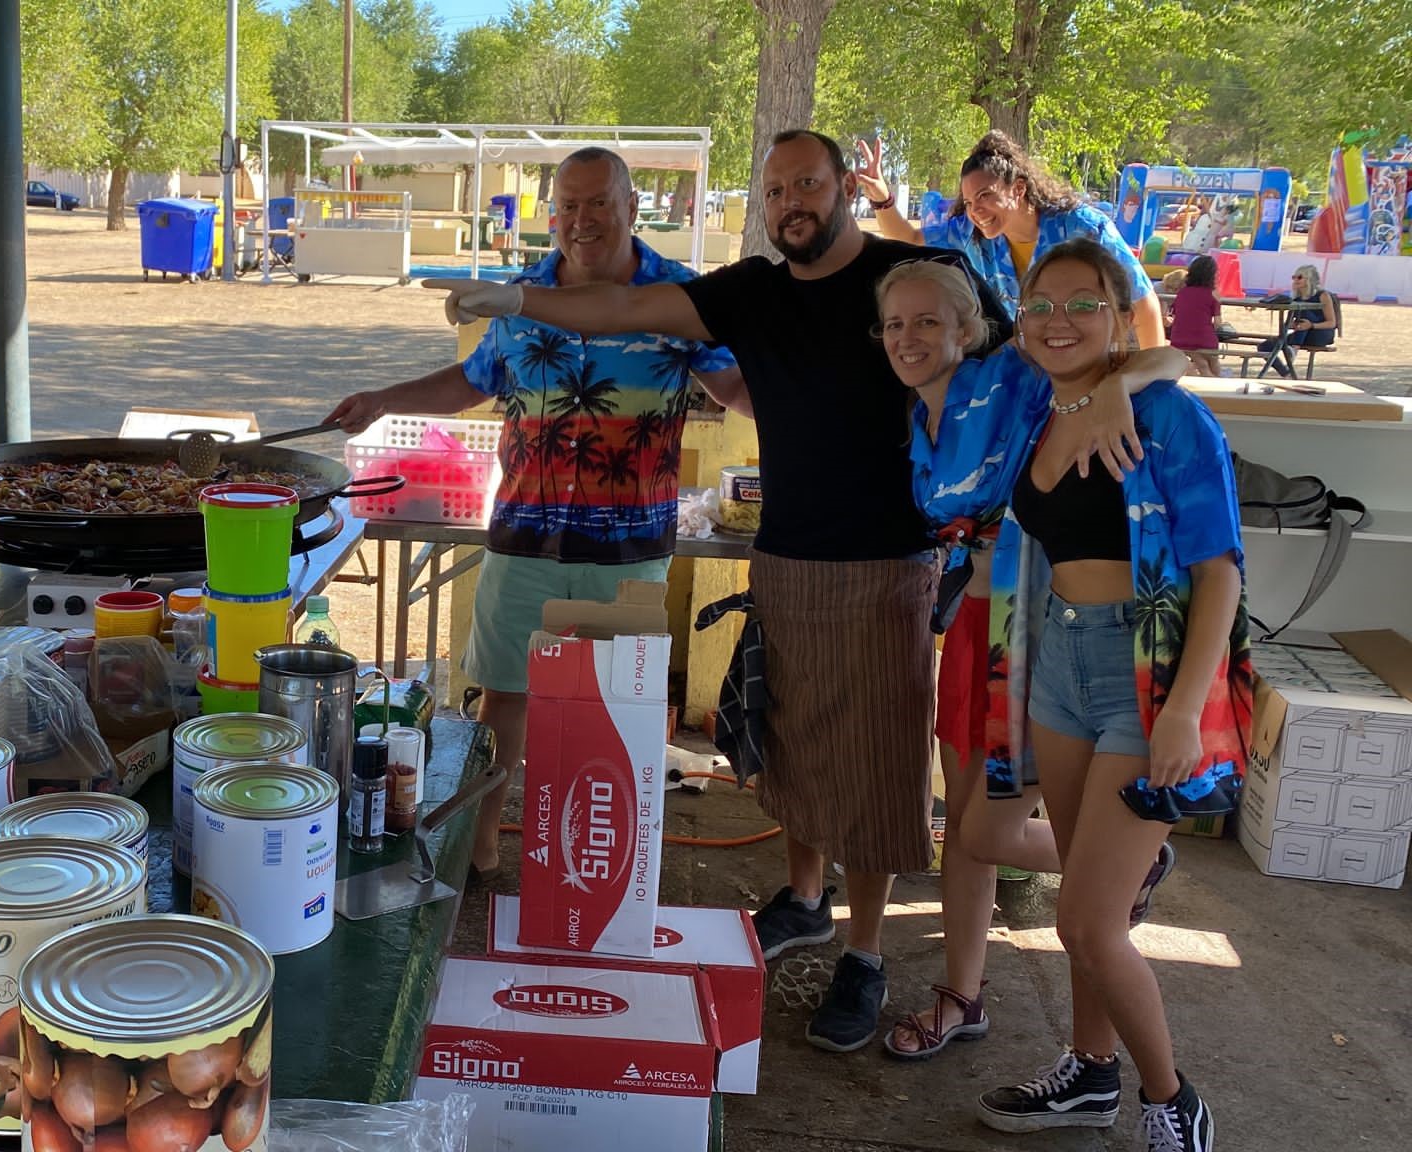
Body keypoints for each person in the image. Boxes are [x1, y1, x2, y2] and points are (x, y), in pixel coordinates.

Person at [425, 130, 1141, 1054]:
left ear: (844, 186)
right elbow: (626, 304)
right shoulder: (753, 290)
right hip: (786, 556)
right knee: (792, 748)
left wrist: (1126, 379)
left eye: (807, 183)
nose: (789, 202)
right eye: (774, 191)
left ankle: (866, 952)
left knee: (878, 769)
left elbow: (1042, 350)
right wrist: (517, 298)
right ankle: (805, 898)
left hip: (890, 563)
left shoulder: (910, 278)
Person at [325, 146, 742, 882]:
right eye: (568, 206)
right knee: (505, 700)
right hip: (525, 538)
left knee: (615, 710)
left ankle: (603, 863)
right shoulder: (520, 299)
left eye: (599, 203)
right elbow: (471, 381)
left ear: (631, 206)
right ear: (553, 215)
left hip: (629, 549)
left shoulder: (680, 298)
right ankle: (484, 848)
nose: (583, 220)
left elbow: (734, 390)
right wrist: (383, 399)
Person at [972, 238, 1250, 1151]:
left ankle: (1172, 1099)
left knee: (1087, 924)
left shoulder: (1168, 416)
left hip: (1146, 672)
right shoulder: (1032, 408)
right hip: (1057, 662)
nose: (1059, 321)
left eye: (1083, 303)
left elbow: (1218, 571)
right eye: (1041, 305)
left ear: (1121, 313)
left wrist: (1184, 711)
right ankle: (1091, 1074)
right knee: (1085, 914)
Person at [873, 262, 1185, 1063]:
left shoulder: (1009, 378)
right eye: (895, 324)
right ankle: (962, 993)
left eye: (928, 321)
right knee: (967, 826)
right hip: (971, 626)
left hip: (1040, 626)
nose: (909, 338)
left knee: (992, 826)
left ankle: (1123, 872)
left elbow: (1168, 357)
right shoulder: (916, 420)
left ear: (968, 330)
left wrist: (1120, 386)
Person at [856, 132, 1165, 351]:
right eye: (969, 202)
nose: (976, 210)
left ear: (1018, 189)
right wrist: (881, 199)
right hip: (1029, 375)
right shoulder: (973, 235)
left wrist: (1155, 386)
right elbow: (910, 238)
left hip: (1092, 364)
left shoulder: (1082, 227)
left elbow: (1144, 304)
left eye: (985, 196)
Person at [1258, 263, 1338, 377]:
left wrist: (1311, 325)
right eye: (1294, 277)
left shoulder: (1322, 295)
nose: (1295, 280)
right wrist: (1291, 325)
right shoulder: (1296, 298)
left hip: (1320, 334)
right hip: (1302, 334)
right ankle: (1286, 373)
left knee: (1303, 311)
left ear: (1309, 279)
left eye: (1299, 277)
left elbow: (1332, 323)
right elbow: (1289, 323)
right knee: (1264, 346)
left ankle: (1294, 348)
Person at [1168, 256, 1223, 378]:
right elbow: (1218, 323)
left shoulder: (1182, 292)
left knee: (1202, 364)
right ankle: (1217, 383)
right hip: (1203, 338)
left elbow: (1176, 315)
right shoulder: (1212, 293)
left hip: (1179, 338)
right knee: (1213, 363)